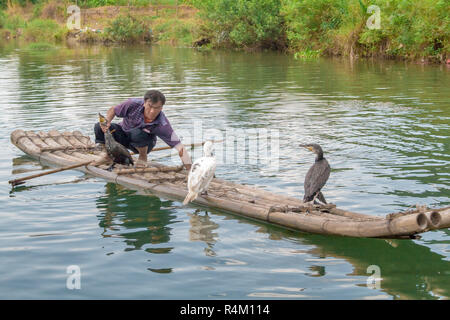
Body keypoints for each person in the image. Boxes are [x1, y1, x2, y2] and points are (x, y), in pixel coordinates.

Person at [94, 90, 192, 170]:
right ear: (144, 103)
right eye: (150, 106)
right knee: (99, 127)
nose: (152, 111)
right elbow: (113, 110)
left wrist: (190, 170)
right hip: (123, 134)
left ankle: (142, 157)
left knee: (139, 132)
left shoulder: (163, 124)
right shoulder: (132, 104)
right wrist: (107, 122)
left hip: (143, 143)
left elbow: (180, 148)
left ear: (162, 107)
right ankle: (106, 155)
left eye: (157, 108)